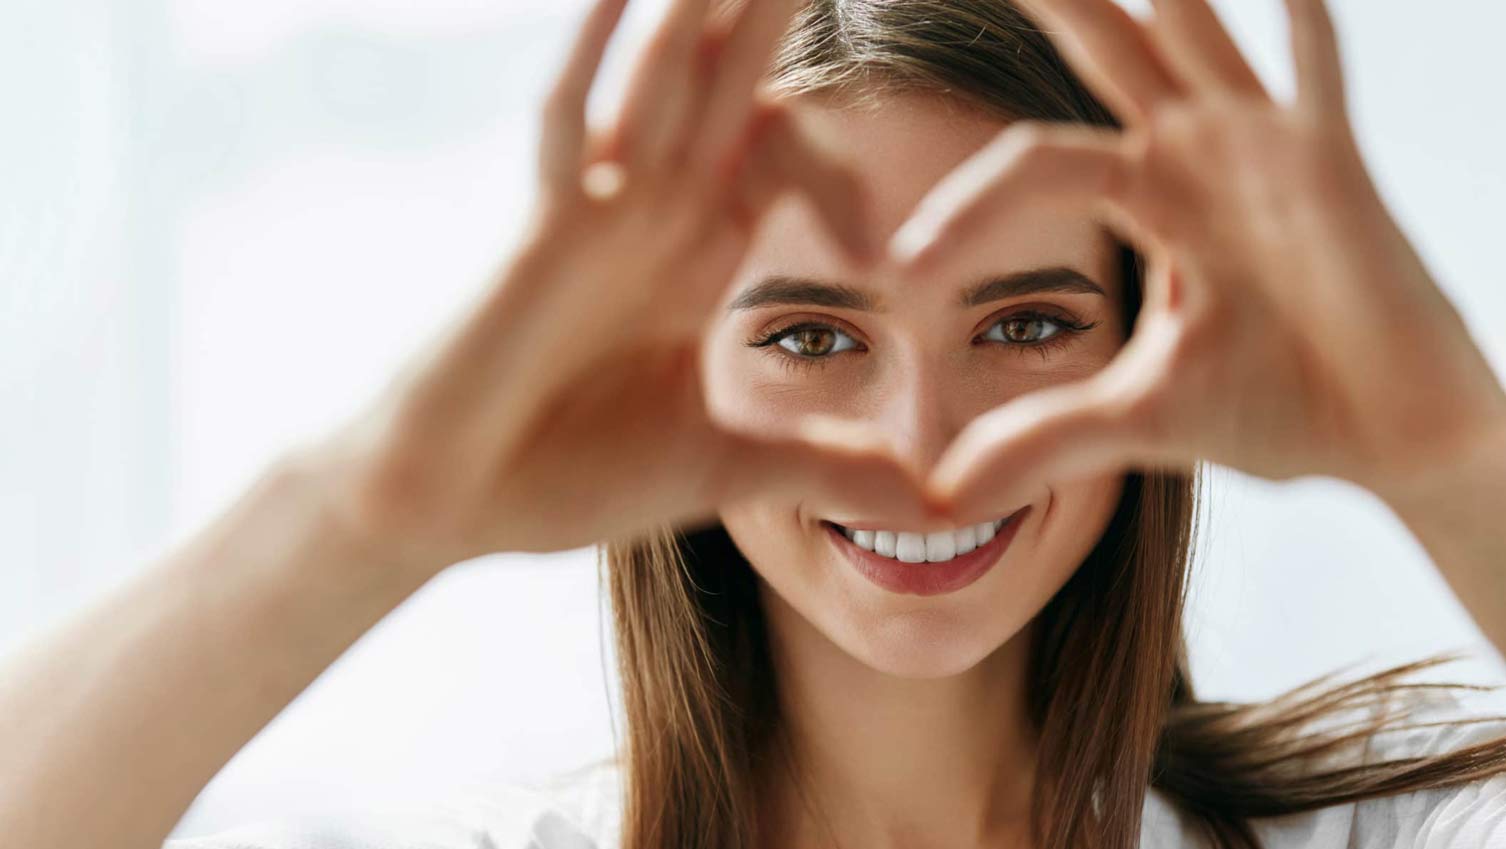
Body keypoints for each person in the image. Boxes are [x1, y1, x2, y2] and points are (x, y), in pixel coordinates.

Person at [4, 0, 1506, 847]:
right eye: (808, 334)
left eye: (1027, 324)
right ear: (682, 365)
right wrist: (364, 513)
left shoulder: (1394, 829)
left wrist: (1453, 454)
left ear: (1144, 343)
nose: (923, 434)